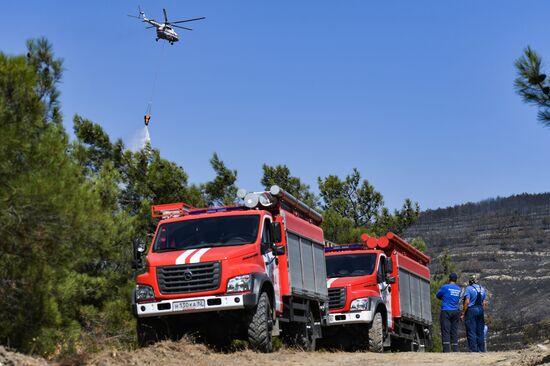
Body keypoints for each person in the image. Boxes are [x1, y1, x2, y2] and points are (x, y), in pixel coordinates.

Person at [436, 273, 461, 352]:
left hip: (446, 310)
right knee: (454, 330)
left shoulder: (445, 287)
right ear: (456, 280)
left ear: (449, 279)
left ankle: (446, 350)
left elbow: (438, 295)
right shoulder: (459, 289)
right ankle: (455, 349)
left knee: (446, 330)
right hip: (456, 311)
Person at [461, 274, 487, 352]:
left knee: (471, 331)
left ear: (470, 281)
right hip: (480, 310)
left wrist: (463, 313)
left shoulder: (468, 288)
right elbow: (485, 303)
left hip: (472, 310)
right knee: (480, 331)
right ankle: (481, 349)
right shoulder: (482, 289)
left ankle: (473, 350)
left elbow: (467, 302)